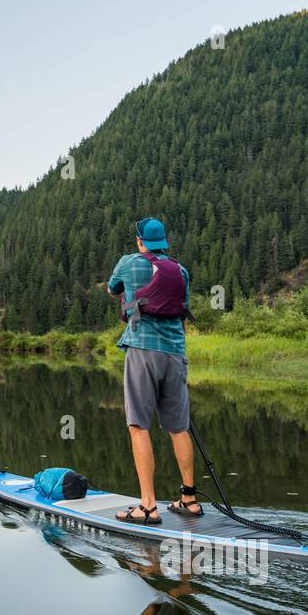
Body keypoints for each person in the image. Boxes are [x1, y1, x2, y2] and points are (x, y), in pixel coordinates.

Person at [106, 217, 200, 525]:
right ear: (165, 243)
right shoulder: (181, 270)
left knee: (138, 426)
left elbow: (112, 289)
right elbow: (183, 309)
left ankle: (147, 506)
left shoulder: (129, 262)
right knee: (178, 427)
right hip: (175, 353)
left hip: (143, 350)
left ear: (140, 241)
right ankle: (189, 499)